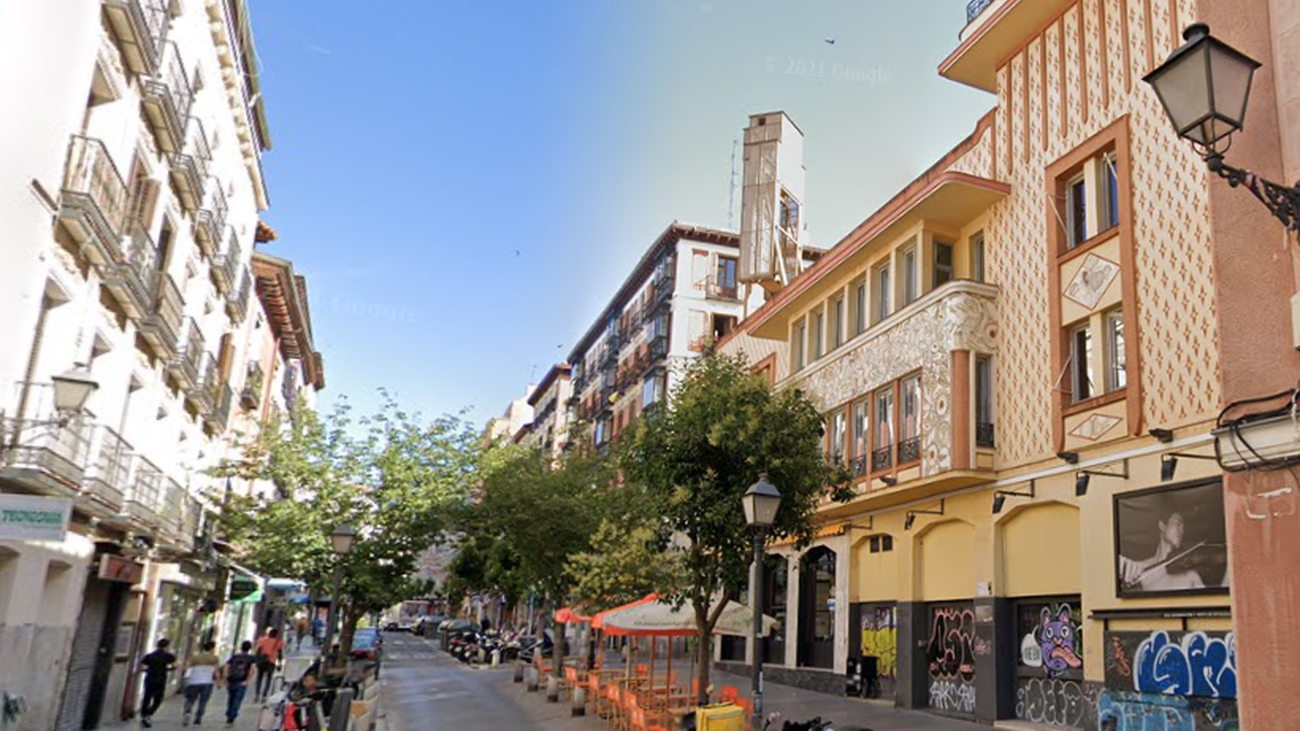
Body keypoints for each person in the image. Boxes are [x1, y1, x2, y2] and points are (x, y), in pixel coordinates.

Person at [1118, 510, 1207, 591]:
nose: (1182, 531)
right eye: (1178, 524)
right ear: (1162, 526)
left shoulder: (1191, 576)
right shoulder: (1140, 570)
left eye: (1183, 527)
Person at [139, 638, 177, 728]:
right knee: (158, 699)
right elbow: (176, 665)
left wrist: (148, 670)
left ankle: (144, 715)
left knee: (147, 698)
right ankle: (149, 713)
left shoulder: (150, 655)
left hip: (150, 678)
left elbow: (143, 665)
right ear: (167, 646)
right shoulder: (168, 656)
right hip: (160, 679)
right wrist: (168, 669)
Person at [220, 640, 258, 727]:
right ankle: (230, 719)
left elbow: (226, 666)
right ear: (249, 648)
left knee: (231, 699)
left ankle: (229, 715)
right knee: (237, 700)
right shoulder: (251, 658)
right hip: (241, 681)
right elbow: (252, 669)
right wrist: (247, 681)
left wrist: (225, 679)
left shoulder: (235, 656)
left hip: (231, 680)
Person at [182, 640, 220, 726]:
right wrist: (218, 682)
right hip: (207, 682)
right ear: (211, 648)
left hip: (193, 681)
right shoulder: (214, 658)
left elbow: (186, 668)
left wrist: (185, 677)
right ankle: (198, 719)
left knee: (190, 699)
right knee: (203, 701)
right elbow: (216, 671)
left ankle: (187, 713)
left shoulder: (194, 657)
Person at [253, 628, 285, 702]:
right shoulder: (279, 643)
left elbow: (258, 650)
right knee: (269, 678)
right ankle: (264, 695)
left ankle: (257, 694)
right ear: (276, 635)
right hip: (271, 662)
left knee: (259, 678)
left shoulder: (263, 640)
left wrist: (256, 660)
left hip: (262, 661)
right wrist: (279, 663)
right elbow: (280, 654)